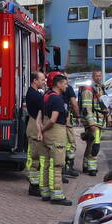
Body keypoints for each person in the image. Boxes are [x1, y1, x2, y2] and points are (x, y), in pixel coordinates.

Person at [35, 74, 73, 205]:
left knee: (45, 163)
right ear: (58, 84)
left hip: (44, 133)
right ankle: (57, 195)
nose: (66, 86)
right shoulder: (57, 99)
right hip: (56, 132)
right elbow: (52, 120)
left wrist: (40, 131)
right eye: (65, 84)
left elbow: (39, 116)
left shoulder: (46, 95)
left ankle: (44, 193)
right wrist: (45, 129)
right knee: (57, 164)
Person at [79, 69, 109, 176]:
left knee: (90, 144)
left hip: (99, 120)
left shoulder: (101, 88)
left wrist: (108, 118)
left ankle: (86, 165)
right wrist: (91, 123)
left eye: (100, 75)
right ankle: (92, 168)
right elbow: (87, 107)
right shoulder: (88, 90)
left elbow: (104, 104)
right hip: (92, 121)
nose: (98, 77)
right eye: (96, 76)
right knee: (95, 144)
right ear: (92, 76)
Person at [23, 71, 46, 197]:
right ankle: (33, 186)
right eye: (42, 80)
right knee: (35, 158)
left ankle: (34, 184)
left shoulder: (34, 93)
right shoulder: (35, 95)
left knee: (35, 157)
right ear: (35, 81)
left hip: (34, 125)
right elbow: (43, 108)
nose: (44, 82)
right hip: (34, 127)